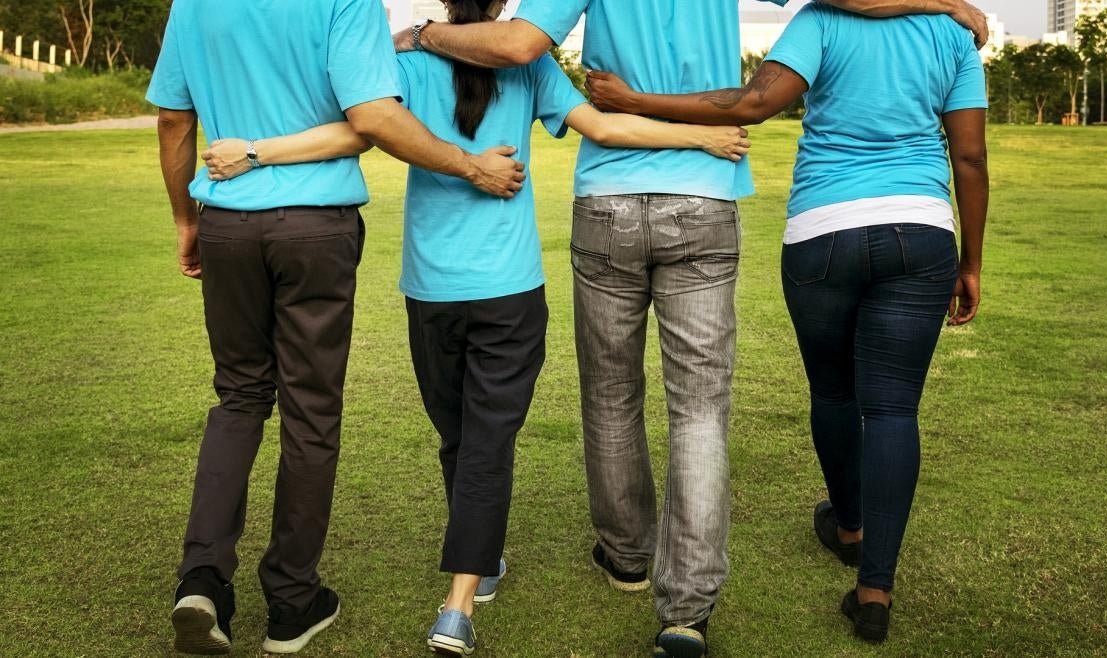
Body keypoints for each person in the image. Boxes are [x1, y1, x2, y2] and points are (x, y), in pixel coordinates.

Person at [393, 0, 988, 655]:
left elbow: (516, 45)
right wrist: (945, 3)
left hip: (607, 200)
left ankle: (626, 555)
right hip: (704, 196)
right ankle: (687, 607)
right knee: (700, 409)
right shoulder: (911, 29)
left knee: (611, 392)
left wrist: (425, 33)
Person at [198, 0, 748, 653]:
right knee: (482, 442)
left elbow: (364, 123)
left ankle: (470, 583)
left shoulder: (405, 60)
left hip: (432, 289)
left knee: (460, 436)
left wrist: (258, 146)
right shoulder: (532, 65)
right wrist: (703, 136)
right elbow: (602, 126)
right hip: (509, 289)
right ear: (498, 12)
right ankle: (468, 583)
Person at [587, 0, 988, 644]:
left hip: (823, 229)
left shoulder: (821, 20)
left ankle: (850, 526)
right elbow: (969, 157)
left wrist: (637, 99)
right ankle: (874, 590)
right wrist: (970, 261)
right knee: (892, 411)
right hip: (922, 229)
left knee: (833, 390)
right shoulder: (954, 35)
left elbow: (751, 104)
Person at [147, 0, 527, 654]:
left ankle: (203, 578)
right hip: (315, 227)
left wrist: (186, 219)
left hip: (227, 224)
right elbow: (372, 119)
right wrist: (469, 166)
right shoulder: (346, 2)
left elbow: (175, 120)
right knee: (310, 412)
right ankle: (293, 603)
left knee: (238, 398)